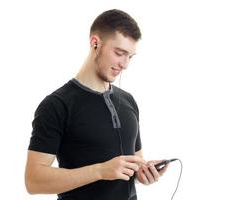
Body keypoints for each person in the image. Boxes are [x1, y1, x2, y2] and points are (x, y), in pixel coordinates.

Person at [25, 9, 168, 200]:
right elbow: (33, 180)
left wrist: (142, 173)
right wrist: (100, 171)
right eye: (119, 53)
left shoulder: (128, 100)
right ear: (95, 43)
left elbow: (135, 162)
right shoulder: (56, 105)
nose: (125, 64)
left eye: (130, 57)